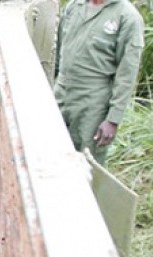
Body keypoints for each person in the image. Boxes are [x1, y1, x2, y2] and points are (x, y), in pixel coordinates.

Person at [53, 0, 144, 164]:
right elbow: (60, 51)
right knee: (54, 153)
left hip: (93, 103)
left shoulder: (127, 16)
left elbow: (127, 74)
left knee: (89, 163)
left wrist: (113, 119)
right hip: (61, 92)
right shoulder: (74, 6)